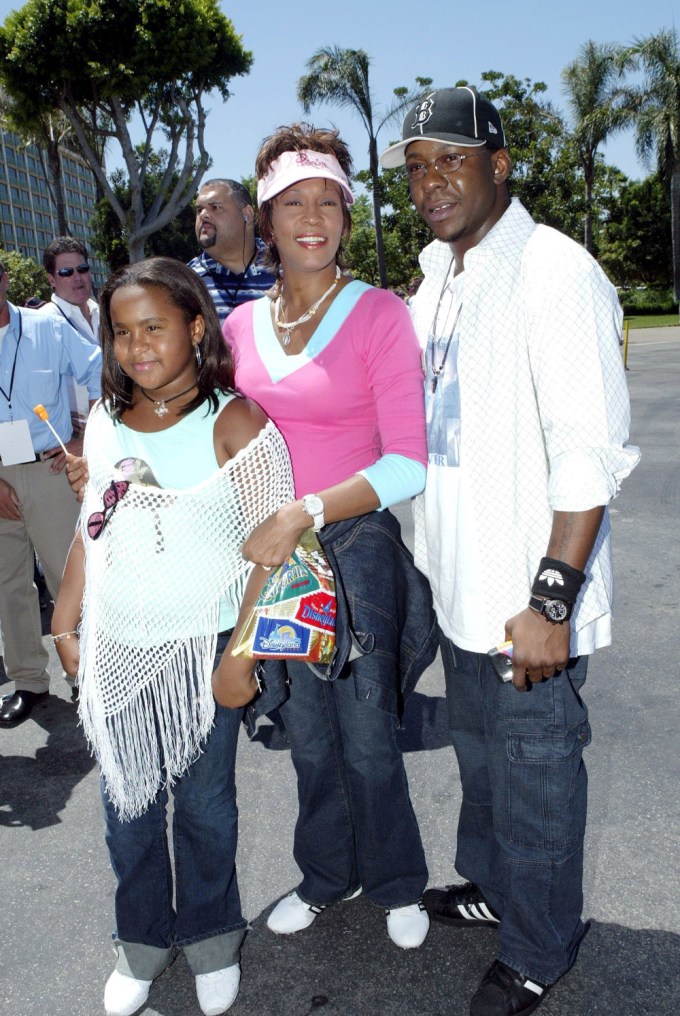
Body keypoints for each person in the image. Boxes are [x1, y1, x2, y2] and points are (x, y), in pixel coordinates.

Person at [380, 87, 640, 1015]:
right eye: (415, 166)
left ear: (500, 163)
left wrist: (552, 602)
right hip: (464, 594)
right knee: (485, 773)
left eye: (449, 157)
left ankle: (537, 950)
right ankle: (494, 891)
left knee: (537, 789)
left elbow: (589, 451)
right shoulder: (441, 277)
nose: (430, 180)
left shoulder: (553, 273)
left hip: (528, 605)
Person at [52, 257, 294, 1016]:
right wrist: (66, 621)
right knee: (126, 815)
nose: (137, 346)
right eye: (122, 332)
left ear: (195, 327)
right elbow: (94, 531)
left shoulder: (236, 422)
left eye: (154, 326)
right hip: (119, 647)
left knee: (204, 809)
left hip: (205, 647)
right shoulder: (104, 420)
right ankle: (143, 943)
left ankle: (214, 937)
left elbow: (274, 555)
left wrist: (240, 656)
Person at [219, 124, 438, 951]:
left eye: (328, 201)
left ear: (347, 212)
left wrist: (305, 511)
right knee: (309, 738)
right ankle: (325, 874)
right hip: (277, 556)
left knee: (370, 737)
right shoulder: (239, 329)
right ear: (266, 218)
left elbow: (408, 463)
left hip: (352, 546)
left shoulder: (380, 314)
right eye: (292, 203)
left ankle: (395, 881)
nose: (312, 217)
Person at [0, 258, 101, 727]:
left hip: (48, 470)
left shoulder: (48, 328)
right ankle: (27, 682)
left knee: (67, 578)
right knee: (9, 586)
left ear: (3, 279)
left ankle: (87, 673)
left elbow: (106, 375)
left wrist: (88, 437)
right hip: (0, 475)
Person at [188, 178, 276, 322]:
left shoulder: (285, 267)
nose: (203, 215)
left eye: (215, 207)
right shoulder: (186, 281)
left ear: (247, 215)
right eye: (199, 210)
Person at [42, 236, 100, 344]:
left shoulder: (105, 314)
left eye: (82, 269)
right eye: (67, 272)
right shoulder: (44, 323)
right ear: (52, 280)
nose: (77, 277)